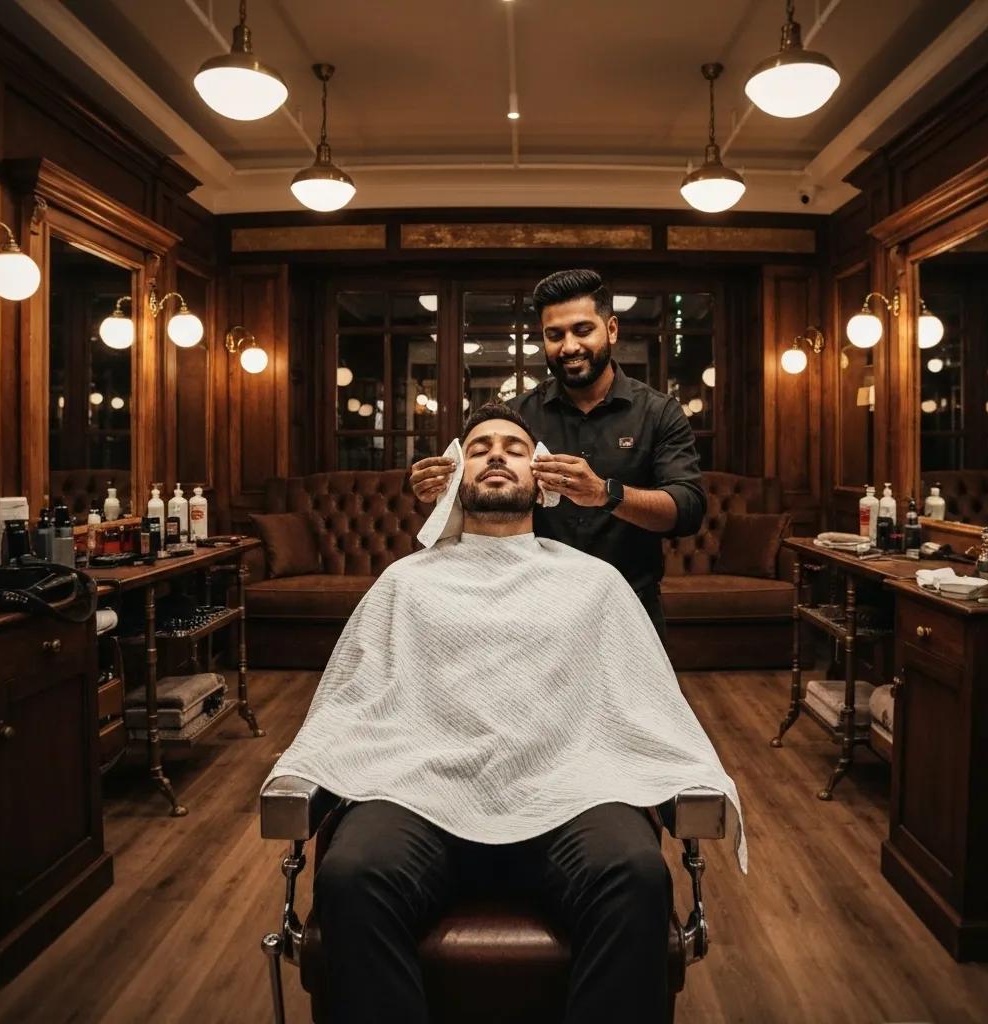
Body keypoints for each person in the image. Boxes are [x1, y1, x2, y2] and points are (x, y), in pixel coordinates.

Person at [266, 402, 745, 1024]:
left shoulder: (596, 582)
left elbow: (639, 705)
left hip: (568, 790)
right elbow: (352, 704)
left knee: (634, 873)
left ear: (542, 474)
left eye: (515, 447)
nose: (496, 454)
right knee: (352, 874)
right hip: (422, 789)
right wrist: (309, 764)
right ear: (455, 474)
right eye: (480, 446)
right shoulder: (405, 582)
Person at [410, 268, 706, 640]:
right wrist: (438, 490)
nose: (568, 347)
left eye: (582, 330)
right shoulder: (517, 417)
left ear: (611, 329)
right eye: (555, 335)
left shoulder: (658, 412)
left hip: (631, 604)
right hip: (533, 605)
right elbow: (478, 498)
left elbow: (688, 510)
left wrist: (604, 493)